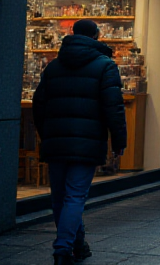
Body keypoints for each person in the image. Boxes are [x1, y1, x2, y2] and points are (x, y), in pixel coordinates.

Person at [33, 19, 127, 265]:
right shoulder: (105, 66)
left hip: (56, 141)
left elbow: (38, 104)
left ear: (72, 34)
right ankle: (63, 248)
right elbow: (114, 107)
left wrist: (47, 134)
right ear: (97, 35)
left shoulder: (53, 67)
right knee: (74, 196)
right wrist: (119, 140)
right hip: (87, 141)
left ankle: (77, 244)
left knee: (59, 197)